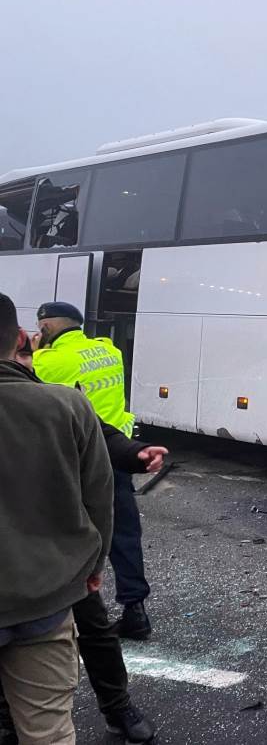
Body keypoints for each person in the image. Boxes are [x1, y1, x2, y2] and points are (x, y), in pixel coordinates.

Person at [0, 293, 113, 745]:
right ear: (23, 339)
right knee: (48, 732)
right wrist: (93, 568)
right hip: (44, 601)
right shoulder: (67, 406)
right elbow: (100, 500)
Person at [32, 302, 152, 639]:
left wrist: (37, 348)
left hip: (76, 458)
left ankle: (66, 613)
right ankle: (135, 610)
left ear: (46, 328)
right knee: (123, 533)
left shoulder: (49, 361)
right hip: (117, 452)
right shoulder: (107, 350)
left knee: (68, 533)